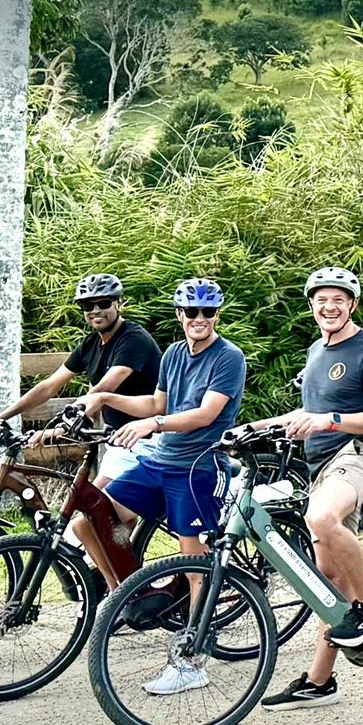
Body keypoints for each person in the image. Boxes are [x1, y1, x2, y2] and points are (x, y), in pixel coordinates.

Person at [259, 267, 363, 710]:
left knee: (321, 518)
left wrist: (330, 421)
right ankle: (320, 681)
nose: (330, 306)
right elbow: (309, 412)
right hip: (320, 462)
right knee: (326, 581)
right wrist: (254, 427)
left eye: (339, 299)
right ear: (311, 306)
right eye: (322, 299)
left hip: (361, 451)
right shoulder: (315, 351)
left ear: (353, 305)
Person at [96, 279, 250, 698]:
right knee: (92, 519)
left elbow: (204, 414)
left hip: (199, 465)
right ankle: (127, 597)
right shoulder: (175, 353)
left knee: (192, 559)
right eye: (190, 312)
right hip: (160, 460)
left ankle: (193, 660)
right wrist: (105, 397)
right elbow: (156, 404)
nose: (199, 320)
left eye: (207, 312)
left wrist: (152, 425)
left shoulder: (228, 357)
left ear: (216, 314)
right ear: (179, 315)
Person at [0, 272, 162, 482]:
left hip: (149, 438)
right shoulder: (91, 344)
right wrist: (0, 417)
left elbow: (101, 390)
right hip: (121, 438)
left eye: (103, 303)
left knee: (96, 507)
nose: (95, 311)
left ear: (119, 303)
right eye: (87, 306)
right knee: (98, 509)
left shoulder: (134, 339)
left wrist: (61, 427)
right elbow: (49, 386)